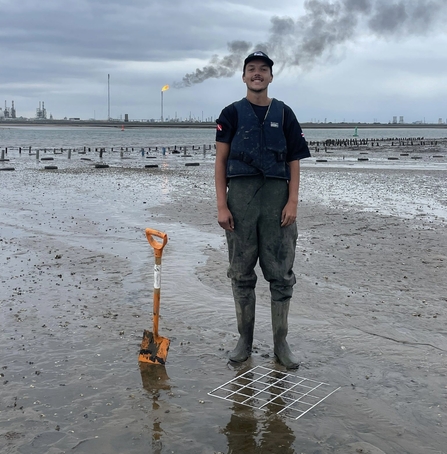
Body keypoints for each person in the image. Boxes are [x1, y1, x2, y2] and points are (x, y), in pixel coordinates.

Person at [214, 51, 311, 369]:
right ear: (243, 77)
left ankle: (281, 343)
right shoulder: (230, 114)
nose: (257, 74)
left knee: (281, 276)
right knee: (241, 275)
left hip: (276, 200)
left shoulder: (284, 114)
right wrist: (222, 204)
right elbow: (221, 162)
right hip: (239, 201)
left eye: (263, 70)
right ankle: (245, 340)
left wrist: (293, 200)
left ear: (271, 77)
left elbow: (295, 160)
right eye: (251, 69)